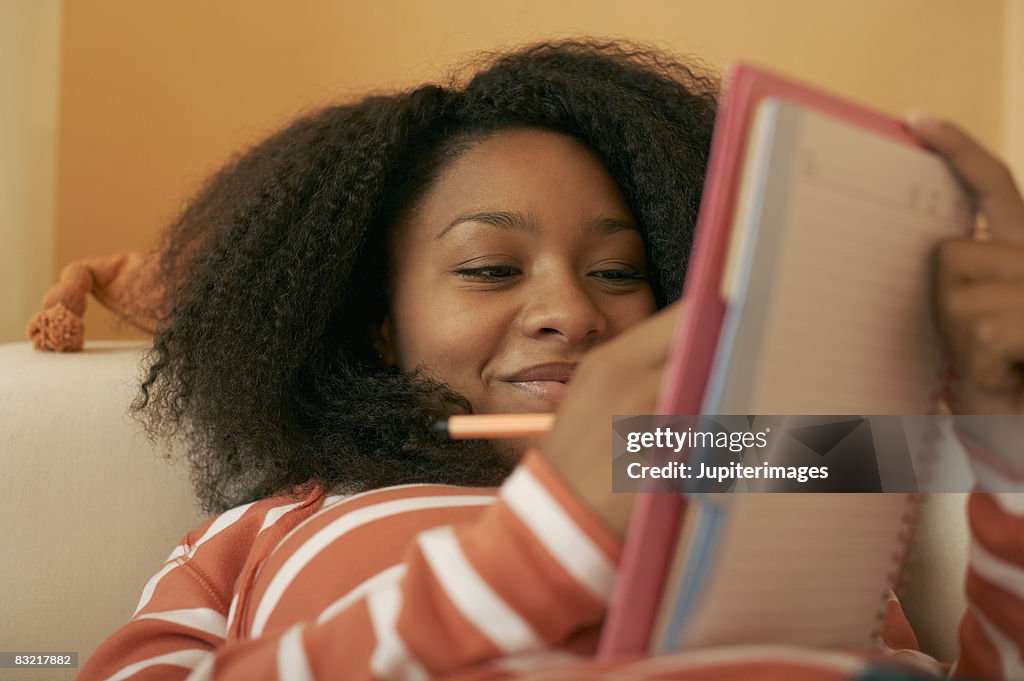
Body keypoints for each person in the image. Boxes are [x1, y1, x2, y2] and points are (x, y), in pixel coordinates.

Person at [78, 40, 1024, 681]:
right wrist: (542, 547)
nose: (572, 313)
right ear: (376, 325)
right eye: (491, 268)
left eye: (620, 271)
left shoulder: (776, 478)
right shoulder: (271, 522)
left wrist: (1004, 430)